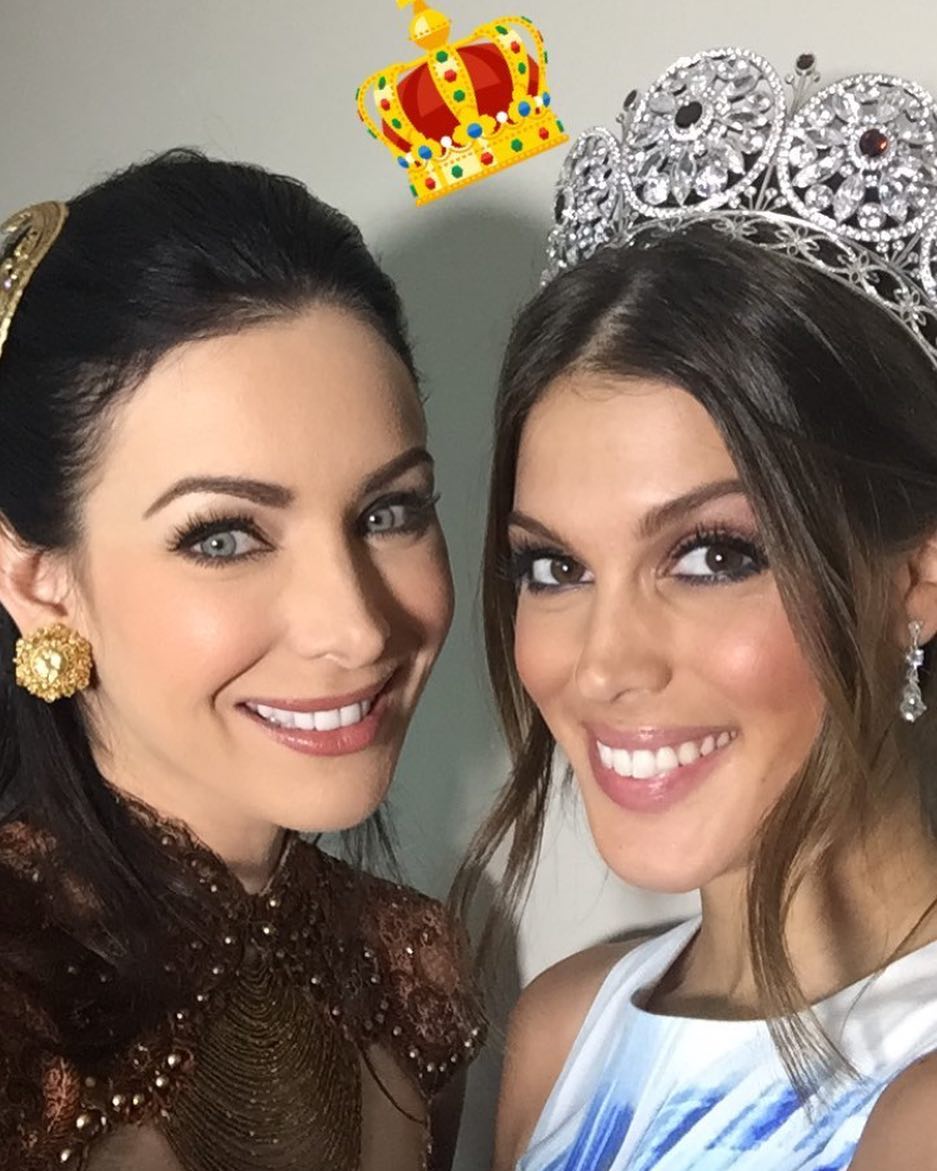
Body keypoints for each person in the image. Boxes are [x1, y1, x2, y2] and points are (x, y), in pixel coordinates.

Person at [458, 47, 937, 1170]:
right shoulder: (560, 1031)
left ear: (914, 581)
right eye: (553, 567)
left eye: (713, 554)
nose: (602, 663)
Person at [0, 149, 483, 1170]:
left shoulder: (411, 962)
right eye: (223, 536)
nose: (356, 629)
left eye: (388, 511)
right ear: (40, 584)